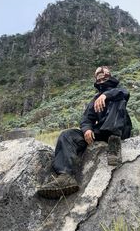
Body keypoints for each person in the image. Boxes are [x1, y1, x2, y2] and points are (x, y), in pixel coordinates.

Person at [37, 66, 132, 199]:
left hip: (119, 131)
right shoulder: (94, 100)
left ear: (109, 75)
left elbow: (125, 93)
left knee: (118, 100)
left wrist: (106, 95)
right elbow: (86, 118)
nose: (100, 75)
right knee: (67, 135)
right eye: (97, 74)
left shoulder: (119, 91)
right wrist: (87, 129)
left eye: (103, 73)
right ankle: (65, 177)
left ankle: (114, 145)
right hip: (102, 131)